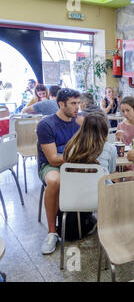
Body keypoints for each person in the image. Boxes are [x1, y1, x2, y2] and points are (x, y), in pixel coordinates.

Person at [36, 88, 80, 255]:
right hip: (50, 166)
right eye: (73, 103)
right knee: (55, 181)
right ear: (61, 104)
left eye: (78, 103)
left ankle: (92, 222)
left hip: (74, 163)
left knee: (101, 175)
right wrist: (79, 155)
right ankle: (52, 232)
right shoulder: (46, 124)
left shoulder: (79, 121)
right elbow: (53, 159)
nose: (77, 107)